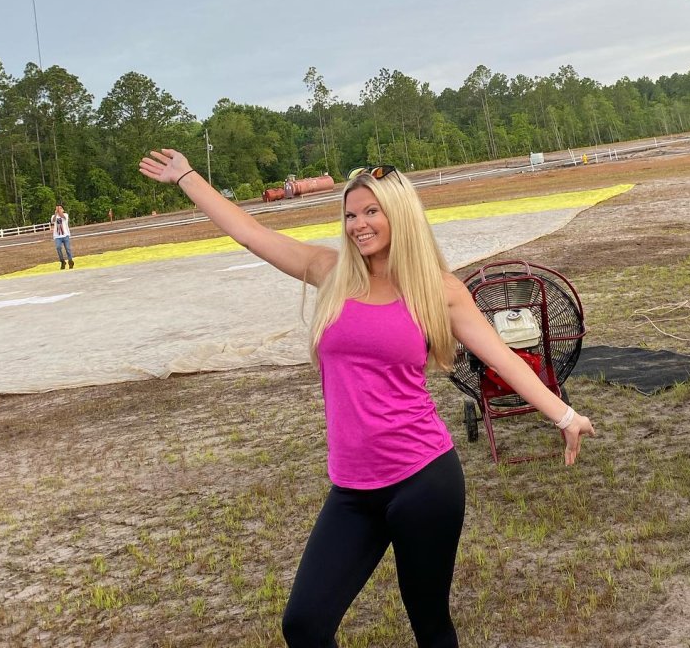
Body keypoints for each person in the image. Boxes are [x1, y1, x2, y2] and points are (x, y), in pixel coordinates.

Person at [138, 149, 595, 648]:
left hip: (424, 480)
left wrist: (564, 413)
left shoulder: (436, 290)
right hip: (353, 490)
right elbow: (250, 232)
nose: (358, 224)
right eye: (351, 214)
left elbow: (502, 359)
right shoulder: (331, 271)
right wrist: (187, 177)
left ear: (398, 215)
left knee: (430, 624)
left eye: (371, 212)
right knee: (304, 625)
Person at [50, 204, 74, 270]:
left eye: (60, 208)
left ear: (63, 209)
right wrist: (55, 213)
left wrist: (59, 211)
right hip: (57, 236)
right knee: (58, 248)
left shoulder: (65, 215)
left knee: (68, 249)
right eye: (57, 208)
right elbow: (53, 220)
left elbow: (63, 216)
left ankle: (70, 261)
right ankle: (62, 261)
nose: (58, 210)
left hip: (65, 235)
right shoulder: (53, 216)